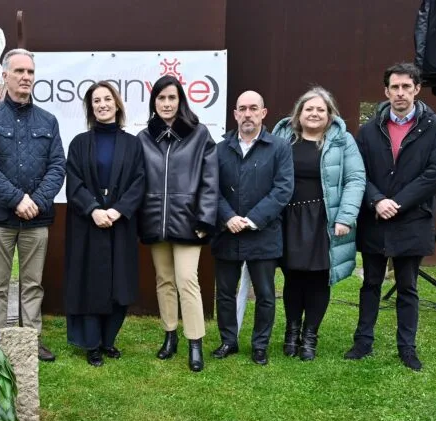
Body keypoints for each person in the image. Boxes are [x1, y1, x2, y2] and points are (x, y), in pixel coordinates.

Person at [344, 62, 436, 371]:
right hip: (375, 217)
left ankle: (407, 348)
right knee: (371, 284)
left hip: (413, 218)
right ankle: (363, 342)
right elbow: (358, 173)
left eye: (406, 87)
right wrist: (377, 200)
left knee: (408, 286)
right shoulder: (368, 130)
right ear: (386, 91)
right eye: (395, 87)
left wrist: (398, 203)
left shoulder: (435, 126)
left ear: (417, 89)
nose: (400, 93)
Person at [0, 48, 66, 362]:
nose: (25, 77)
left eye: (30, 72)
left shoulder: (48, 121)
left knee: (32, 284)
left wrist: (36, 202)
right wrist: (17, 199)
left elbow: (57, 167)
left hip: (36, 220)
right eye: (19, 72)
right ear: (5, 75)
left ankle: (30, 341)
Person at [272, 87, 366, 361]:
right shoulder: (282, 138)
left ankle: (310, 336)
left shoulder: (342, 141)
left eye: (320, 110)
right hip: (289, 219)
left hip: (325, 220)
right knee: (292, 276)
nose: (314, 114)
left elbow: (355, 179)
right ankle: (291, 332)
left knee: (318, 279)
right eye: (308, 109)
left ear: (329, 115)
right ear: (298, 114)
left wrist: (346, 217)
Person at [138, 75, 218, 373]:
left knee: (187, 280)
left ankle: (195, 343)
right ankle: (170, 335)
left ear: (181, 100)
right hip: (156, 222)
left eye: (172, 98)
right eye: (161, 98)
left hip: (189, 222)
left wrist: (205, 218)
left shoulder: (199, 135)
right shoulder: (145, 138)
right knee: (164, 280)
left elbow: (210, 182)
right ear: (154, 102)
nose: (167, 104)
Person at [63, 82, 145, 366]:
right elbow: (73, 182)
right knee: (91, 283)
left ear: (117, 104)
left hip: (120, 225)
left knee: (118, 283)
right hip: (88, 225)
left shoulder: (133, 144)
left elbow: (139, 181)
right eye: (96, 101)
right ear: (90, 107)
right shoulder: (79, 143)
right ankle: (92, 344)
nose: (102, 105)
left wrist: (119, 210)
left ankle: (109, 340)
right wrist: (94, 209)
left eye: (107, 99)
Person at [211, 90, 294, 365]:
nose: (247, 114)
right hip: (227, 232)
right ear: (234, 114)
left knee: (265, 294)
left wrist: (253, 219)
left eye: (253, 108)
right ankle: (228, 341)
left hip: (263, 232)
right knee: (224, 292)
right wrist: (228, 217)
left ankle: (260, 345)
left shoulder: (280, 148)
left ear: (263, 113)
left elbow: (283, 190)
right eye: (242, 109)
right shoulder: (219, 149)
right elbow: (210, 189)